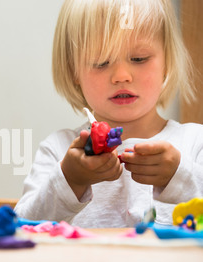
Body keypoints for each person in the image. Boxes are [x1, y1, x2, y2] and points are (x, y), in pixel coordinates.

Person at [14, 0, 203, 227]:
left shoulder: (194, 143)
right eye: (101, 62)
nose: (121, 76)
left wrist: (180, 178)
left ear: (167, 62)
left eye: (139, 59)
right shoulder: (58, 149)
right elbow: (22, 229)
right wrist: (70, 180)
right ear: (74, 70)